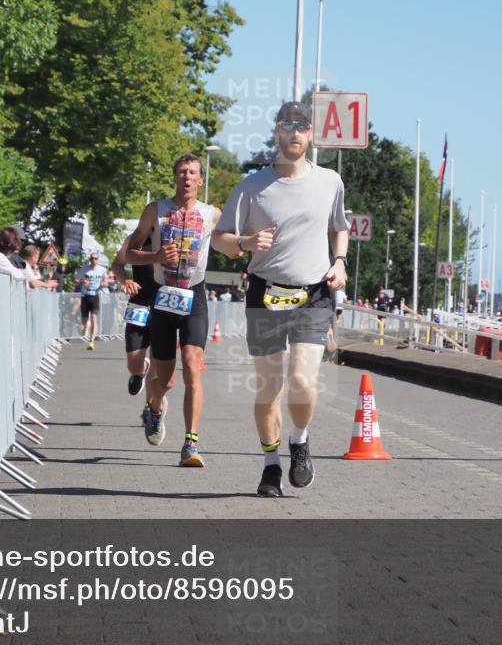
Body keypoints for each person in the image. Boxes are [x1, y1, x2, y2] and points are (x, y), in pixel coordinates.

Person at [213, 101, 349, 497]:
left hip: (314, 293)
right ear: (276, 132)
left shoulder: (330, 181)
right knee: (269, 387)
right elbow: (220, 238)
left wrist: (339, 261)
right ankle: (271, 465)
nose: (294, 132)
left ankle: (300, 441)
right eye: (287, 125)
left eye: (302, 126)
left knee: (303, 381)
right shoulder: (253, 185)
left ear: (311, 135)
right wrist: (243, 242)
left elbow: (338, 227)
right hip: (266, 290)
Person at [123, 154, 221, 467]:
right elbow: (129, 253)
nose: (187, 177)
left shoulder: (212, 214)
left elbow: (230, 241)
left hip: (195, 296)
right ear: (174, 177)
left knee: (193, 365)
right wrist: (155, 257)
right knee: (164, 381)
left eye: (193, 172)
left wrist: (247, 244)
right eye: (182, 172)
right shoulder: (156, 210)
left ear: (201, 180)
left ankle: (191, 443)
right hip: (164, 299)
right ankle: (155, 408)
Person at [112, 231, 159, 427]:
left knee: (159, 366)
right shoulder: (135, 239)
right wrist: (126, 280)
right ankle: (140, 371)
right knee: (133, 364)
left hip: (164, 306)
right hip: (139, 304)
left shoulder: (173, 237)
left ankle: (150, 408)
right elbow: (117, 264)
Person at [77, 252, 109, 350]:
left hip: (95, 296)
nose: (93, 260)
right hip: (85, 295)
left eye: (95, 258)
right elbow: (76, 280)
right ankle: (85, 327)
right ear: (89, 259)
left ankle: (91, 341)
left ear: (98, 260)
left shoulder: (102, 270)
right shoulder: (84, 269)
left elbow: (106, 282)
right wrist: (83, 281)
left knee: (94, 318)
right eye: (92, 258)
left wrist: (104, 283)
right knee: (84, 320)